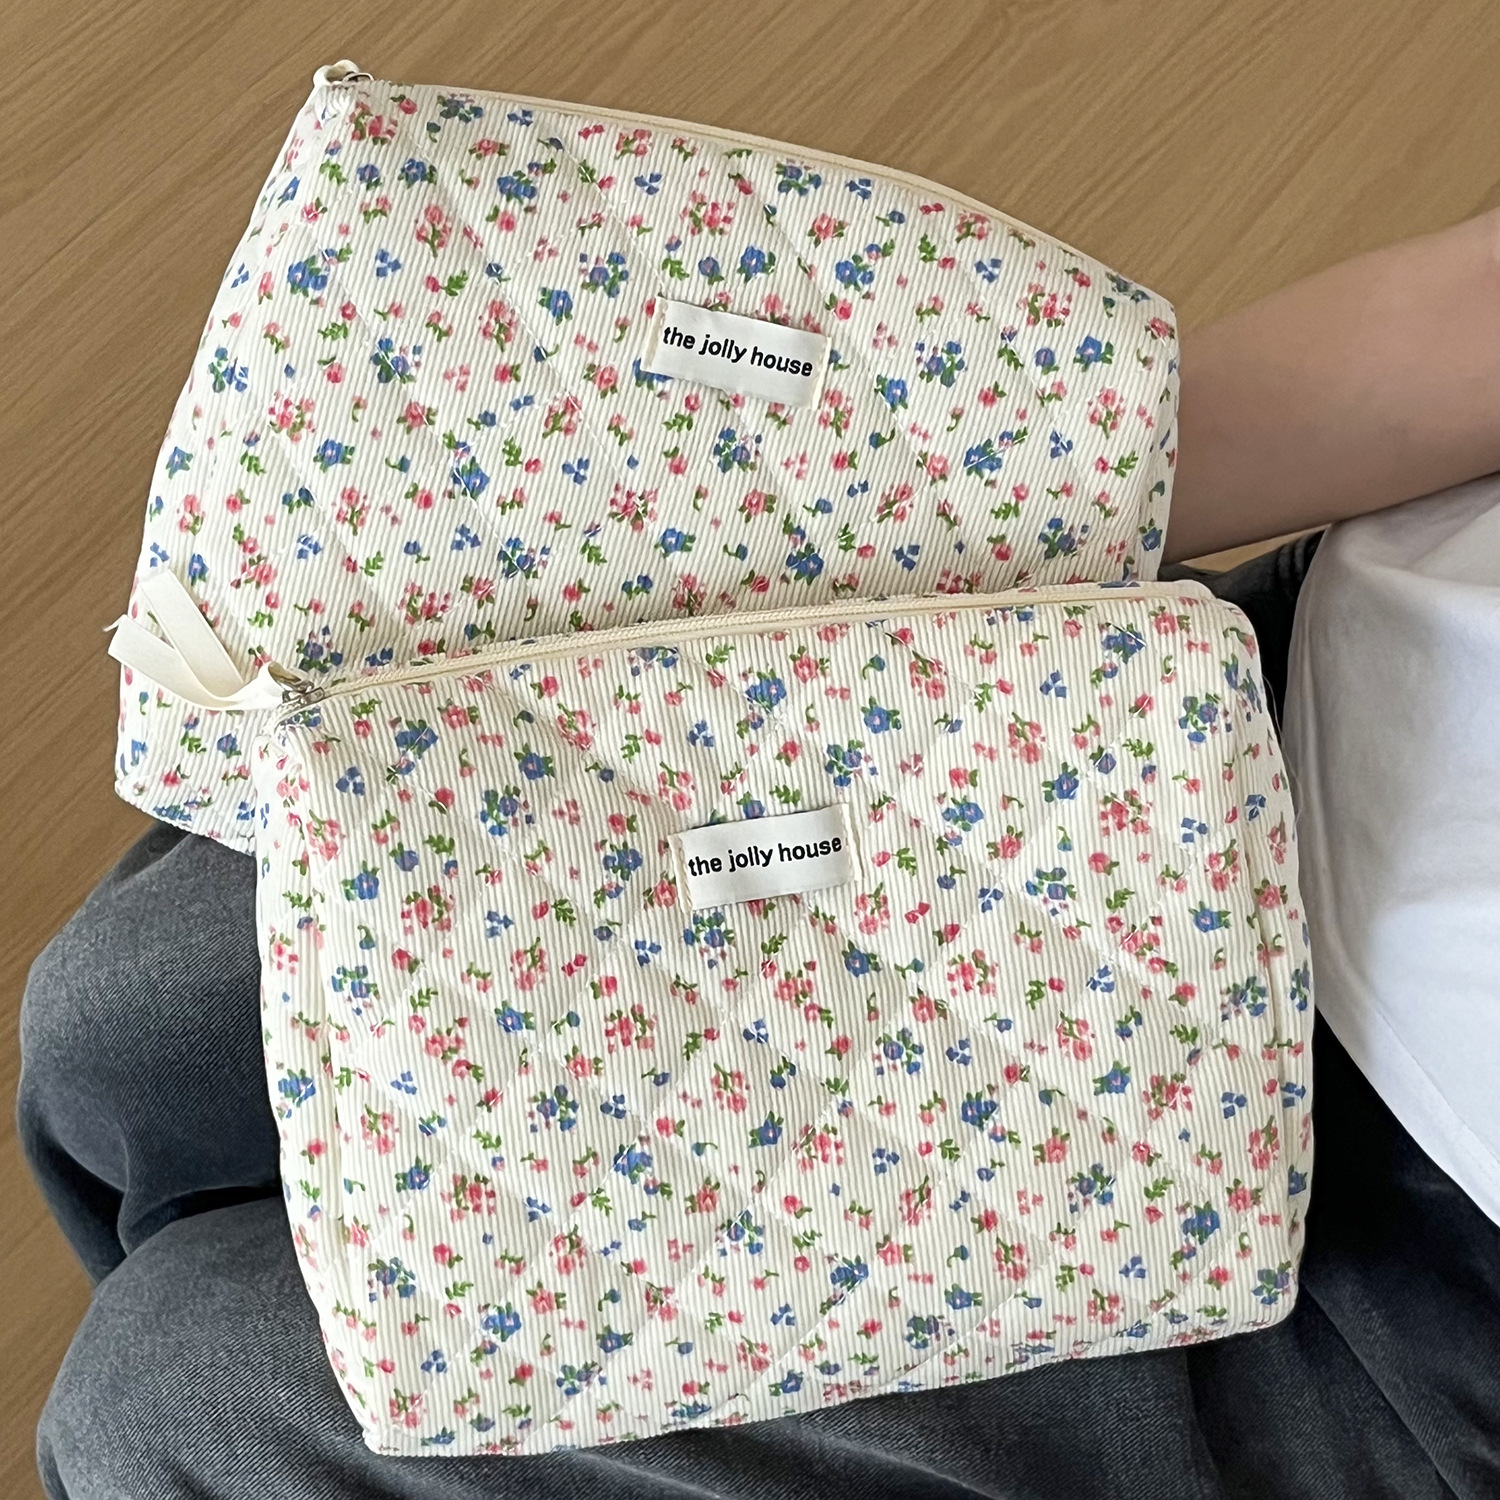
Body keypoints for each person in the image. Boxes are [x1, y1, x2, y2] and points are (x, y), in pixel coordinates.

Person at [19, 209, 1500, 1500]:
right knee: (124, 1025)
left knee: (177, 1402)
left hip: (1399, 1290)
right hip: (1203, 707)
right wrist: (1003, 493)